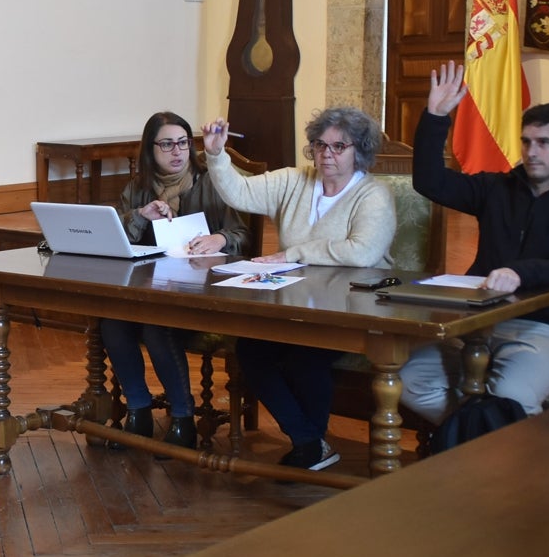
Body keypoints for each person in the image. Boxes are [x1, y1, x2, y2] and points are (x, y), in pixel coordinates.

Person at [202, 107, 396, 471]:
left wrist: (292, 253)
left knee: (305, 355)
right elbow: (240, 193)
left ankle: (309, 445)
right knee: (251, 349)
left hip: (355, 305)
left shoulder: (373, 195)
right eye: (320, 145)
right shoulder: (295, 181)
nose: (327, 154)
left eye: (339, 146)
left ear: (360, 150)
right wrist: (216, 154)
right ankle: (310, 442)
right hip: (297, 302)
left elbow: (363, 251)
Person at [400, 61, 549, 422]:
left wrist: (520, 273)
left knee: (511, 398)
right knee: (410, 381)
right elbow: (430, 182)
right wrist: (435, 117)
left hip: (544, 329)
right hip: (475, 322)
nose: (532, 151)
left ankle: (495, 454)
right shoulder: (497, 188)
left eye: (544, 143)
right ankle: (477, 440)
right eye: (526, 141)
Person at [101, 111, 249, 450]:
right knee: (112, 323)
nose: (177, 152)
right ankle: (137, 411)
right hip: (148, 290)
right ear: (150, 149)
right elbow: (117, 239)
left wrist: (221, 239)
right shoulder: (137, 190)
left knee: (157, 327)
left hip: (203, 292)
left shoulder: (212, 181)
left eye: (183, 143)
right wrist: (140, 216)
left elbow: (242, 233)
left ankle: (183, 419)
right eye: (167, 144)